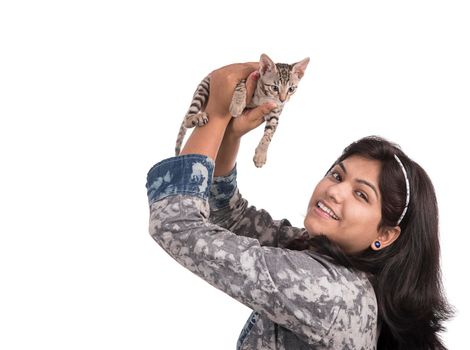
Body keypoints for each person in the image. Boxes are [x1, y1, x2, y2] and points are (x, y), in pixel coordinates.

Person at [146, 62, 453, 349]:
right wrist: (231, 135)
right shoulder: (331, 260)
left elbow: (176, 225)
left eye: (362, 195)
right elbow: (229, 214)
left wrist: (214, 111)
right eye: (337, 175)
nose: (335, 191)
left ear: (385, 235)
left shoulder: (329, 292)